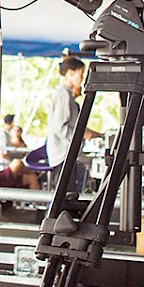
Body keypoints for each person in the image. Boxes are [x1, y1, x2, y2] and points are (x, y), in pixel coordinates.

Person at [46, 57, 102, 192]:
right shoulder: (64, 96)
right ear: (70, 73)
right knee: (65, 193)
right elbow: (59, 127)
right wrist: (76, 140)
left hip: (66, 153)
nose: (82, 78)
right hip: (64, 154)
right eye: (80, 74)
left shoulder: (67, 96)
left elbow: (74, 124)